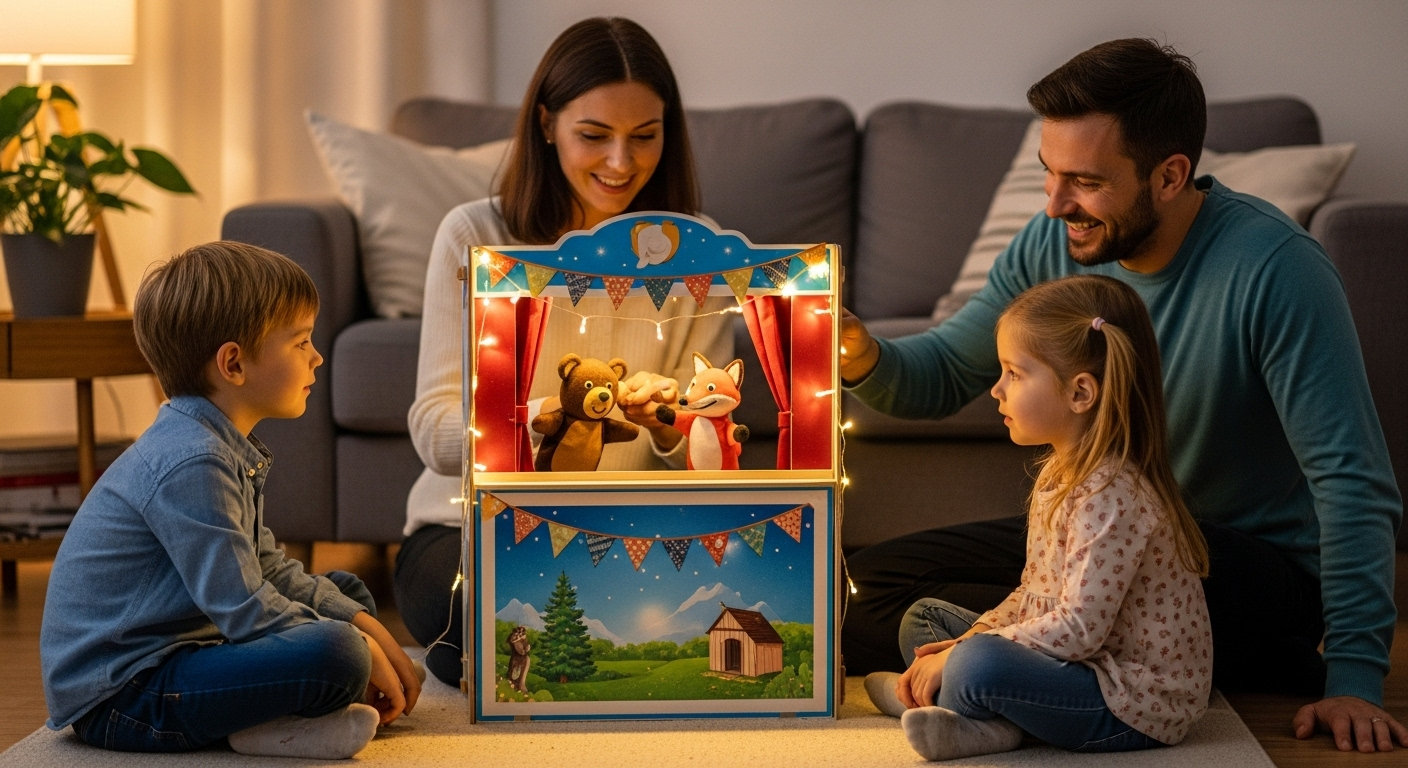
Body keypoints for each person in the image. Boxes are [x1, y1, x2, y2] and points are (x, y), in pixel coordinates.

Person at [840, 38, 1407, 753]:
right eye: (1049, 174)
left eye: (1083, 181)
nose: (1054, 205)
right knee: (858, 590)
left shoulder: (1277, 268)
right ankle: (1033, 681)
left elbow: (1352, 482)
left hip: (1234, 561)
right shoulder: (1055, 246)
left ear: (1170, 176)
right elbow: (947, 371)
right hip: (1095, 534)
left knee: (1006, 630)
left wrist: (1354, 678)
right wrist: (862, 352)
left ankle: (1032, 677)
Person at [397, 17, 732, 688]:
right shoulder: (474, 236)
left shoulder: (699, 250)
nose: (621, 162)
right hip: (467, 529)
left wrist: (663, 413)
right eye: (593, 135)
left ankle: (493, 668)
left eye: (645, 137)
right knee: (482, 614)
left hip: (629, 531)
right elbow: (434, 429)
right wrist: (547, 416)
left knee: (787, 608)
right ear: (546, 124)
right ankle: (480, 657)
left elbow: (700, 431)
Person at [41, 242, 421, 759]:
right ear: (234, 364)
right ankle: (267, 727)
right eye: (302, 342)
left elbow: (265, 569)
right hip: (124, 695)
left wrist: (367, 627)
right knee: (337, 650)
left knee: (346, 595)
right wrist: (359, 647)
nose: (317, 356)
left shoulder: (216, 443)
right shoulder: (192, 460)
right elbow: (243, 606)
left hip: (187, 650)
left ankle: (276, 720)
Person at [867, 275, 1211, 761]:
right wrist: (966, 637)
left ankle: (985, 724)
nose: (996, 390)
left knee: (977, 663)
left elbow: (1079, 630)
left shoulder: (1112, 494)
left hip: (1127, 703)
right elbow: (1033, 595)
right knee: (925, 620)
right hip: (1079, 664)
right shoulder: (1060, 474)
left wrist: (965, 653)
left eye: (1014, 373)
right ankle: (968, 708)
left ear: (1080, 393)